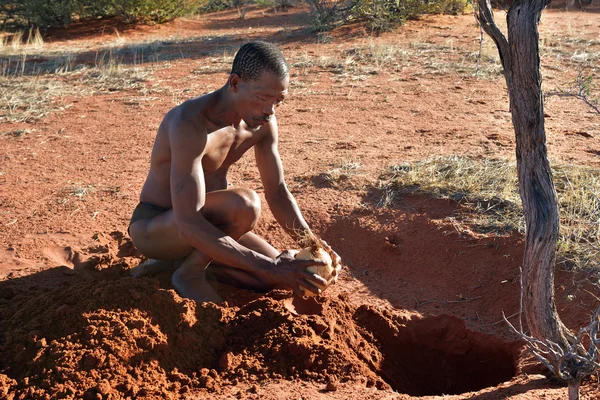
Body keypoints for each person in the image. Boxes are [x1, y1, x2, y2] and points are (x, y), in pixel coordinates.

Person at [128, 41, 341, 303]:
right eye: (263, 98)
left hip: (208, 226)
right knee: (245, 205)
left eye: (278, 101)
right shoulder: (189, 123)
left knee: (270, 279)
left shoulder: (262, 123)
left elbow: (278, 192)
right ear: (235, 83)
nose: (270, 110)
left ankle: (174, 265)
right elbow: (188, 223)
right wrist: (266, 264)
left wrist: (312, 244)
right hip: (158, 229)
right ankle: (189, 273)